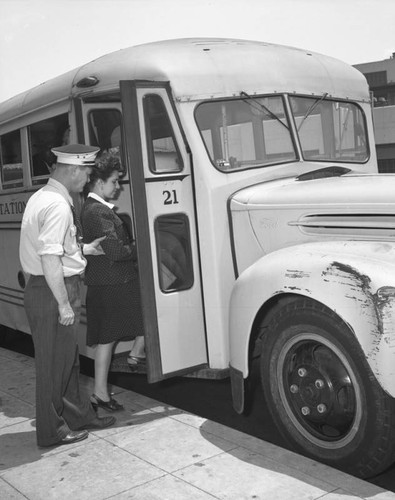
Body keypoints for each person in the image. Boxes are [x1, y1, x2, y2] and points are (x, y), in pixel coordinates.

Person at [19, 144, 116, 447]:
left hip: (51, 285)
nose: (88, 179)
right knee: (53, 366)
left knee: (67, 361)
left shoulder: (45, 197)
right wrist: (63, 304)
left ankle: (77, 415)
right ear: (73, 169)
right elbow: (49, 257)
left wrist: (85, 250)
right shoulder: (59, 205)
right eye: (86, 172)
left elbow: (58, 248)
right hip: (52, 290)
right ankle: (52, 431)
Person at [80, 151, 145, 412]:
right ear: (99, 183)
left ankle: (102, 391)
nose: (118, 187)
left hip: (113, 284)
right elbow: (117, 252)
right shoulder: (97, 212)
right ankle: (102, 391)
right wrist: (138, 247)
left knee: (109, 340)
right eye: (115, 181)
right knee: (111, 338)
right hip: (113, 285)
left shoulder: (95, 209)